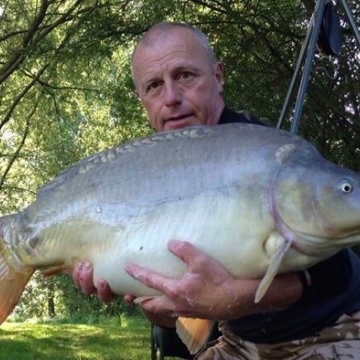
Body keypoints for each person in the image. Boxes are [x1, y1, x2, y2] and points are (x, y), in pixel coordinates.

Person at [72, 22, 360, 359]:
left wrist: (234, 298)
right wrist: (156, 307)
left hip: (332, 329)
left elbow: (338, 272)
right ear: (142, 99)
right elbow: (182, 312)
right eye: (154, 86)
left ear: (218, 77)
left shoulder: (261, 151)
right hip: (242, 343)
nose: (171, 98)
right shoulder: (144, 174)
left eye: (185, 76)